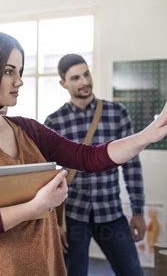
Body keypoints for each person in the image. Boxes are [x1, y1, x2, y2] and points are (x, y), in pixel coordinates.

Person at [0, 30, 167, 276]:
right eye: (9, 71)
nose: (19, 81)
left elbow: (88, 157)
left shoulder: (27, 128)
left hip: (43, 263)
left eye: (20, 71)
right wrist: (35, 207)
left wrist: (148, 135)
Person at [44, 53, 146, 276]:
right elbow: (50, 176)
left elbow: (132, 167)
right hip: (73, 217)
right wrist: (55, 224)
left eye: (86, 74)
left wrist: (138, 211)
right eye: (75, 78)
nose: (84, 82)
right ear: (63, 83)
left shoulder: (117, 113)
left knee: (133, 273)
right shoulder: (54, 122)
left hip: (110, 211)